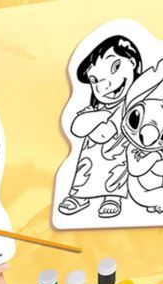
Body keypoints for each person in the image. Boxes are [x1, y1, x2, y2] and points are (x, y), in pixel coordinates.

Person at [57, 35, 142, 218]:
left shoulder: (132, 109)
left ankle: (112, 198)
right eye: (95, 80)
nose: (105, 85)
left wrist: (101, 122)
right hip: (91, 157)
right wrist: (99, 116)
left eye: (115, 67)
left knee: (116, 171)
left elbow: (104, 134)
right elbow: (76, 128)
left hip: (118, 156)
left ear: (133, 62)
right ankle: (79, 196)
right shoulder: (96, 109)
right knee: (85, 169)